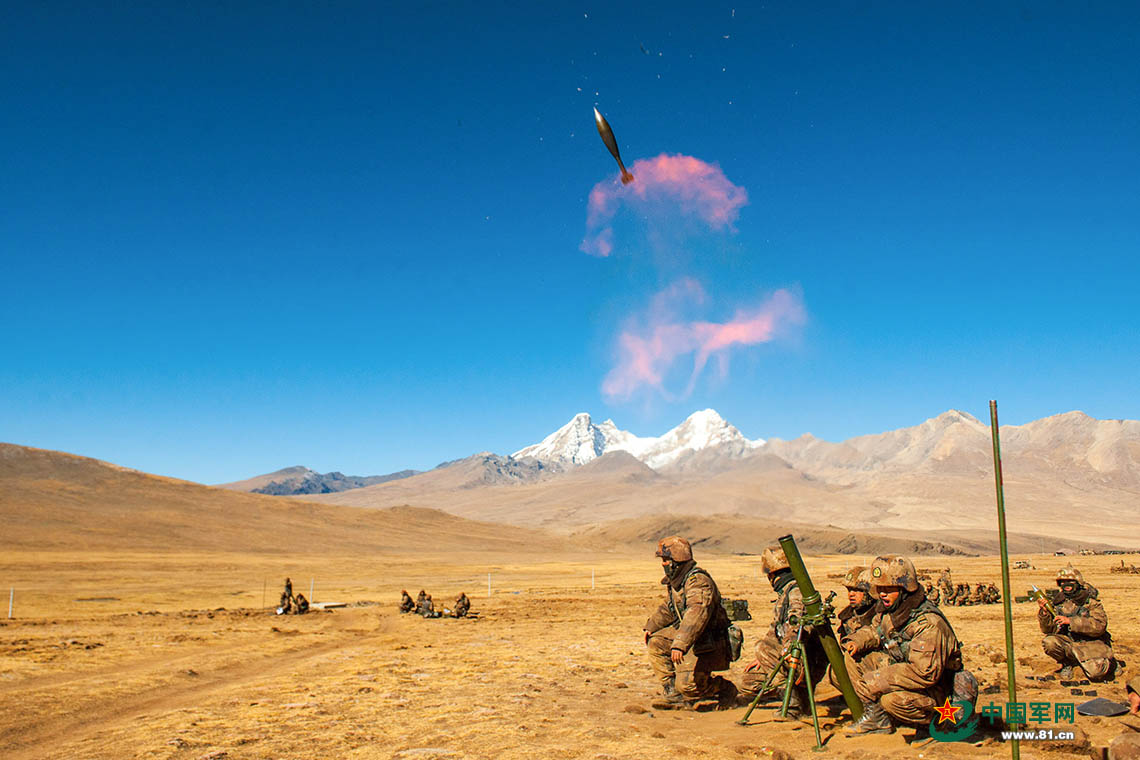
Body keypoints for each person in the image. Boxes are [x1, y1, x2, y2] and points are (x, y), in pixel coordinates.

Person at [844, 555, 975, 735]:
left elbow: (924, 673)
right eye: (880, 588)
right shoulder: (891, 611)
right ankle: (877, 719)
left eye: (889, 588)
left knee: (892, 701)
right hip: (911, 677)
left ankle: (936, 725)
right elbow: (875, 631)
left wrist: (877, 680)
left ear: (905, 588)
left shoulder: (928, 624)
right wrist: (856, 641)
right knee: (854, 659)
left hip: (940, 690)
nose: (882, 594)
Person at [643, 535, 736, 710]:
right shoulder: (678, 582)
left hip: (710, 642)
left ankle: (723, 688)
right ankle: (673, 695)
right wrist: (651, 626)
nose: (663, 564)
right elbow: (670, 607)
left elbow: (697, 613)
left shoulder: (698, 581)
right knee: (656, 643)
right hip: (693, 639)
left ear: (675, 561)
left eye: (665, 560)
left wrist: (680, 644)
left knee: (689, 686)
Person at [737, 544, 828, 716]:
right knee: (749, 682)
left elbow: (796, 627)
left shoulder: (796, 593)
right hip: (791, 655)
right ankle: (792, 694)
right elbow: (776, 630)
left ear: (772, 575)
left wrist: (780, 650)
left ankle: (794, 703)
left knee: (761, 647)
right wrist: (763, 658)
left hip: (805, 659)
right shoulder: (786, 592)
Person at [1038, 565, 1114, 681]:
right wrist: (1044, 613)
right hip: (1069, 643)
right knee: (1049, 642)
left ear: (1078, 582)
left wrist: (1071, 622)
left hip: (1091, 643)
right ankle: (1067, 663)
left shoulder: (1090, 602)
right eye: (1063, 582)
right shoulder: (1058, 602)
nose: (1066, 585)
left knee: (1096, 674)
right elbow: (1048, 630)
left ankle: (1111, 663)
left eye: (1070, 581)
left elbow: (1099, 626)